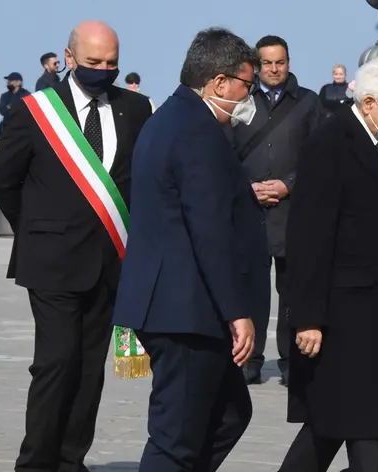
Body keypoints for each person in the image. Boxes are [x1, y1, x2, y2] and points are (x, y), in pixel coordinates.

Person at [0, 20, 153, 472]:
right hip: (51, 264)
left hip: (110, 262)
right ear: (70, 57)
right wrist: (39, 230)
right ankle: (35, 462)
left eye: (112, 64)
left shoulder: (136, 109)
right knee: (56, 363)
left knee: (89, 370)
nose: (103, 70)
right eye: (94, 62)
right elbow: (3, 179)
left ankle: (69, 459)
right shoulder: (34, 110)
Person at [112, 27, 267, 471]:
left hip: (179, 304)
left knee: (230, 414)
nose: (247, 97)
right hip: (183, 310)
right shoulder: (195, 129)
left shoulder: (172, 118)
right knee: (174, 439)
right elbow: (209, 229)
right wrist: (237, 311)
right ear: (219, 82)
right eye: (246, 85)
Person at [279, 54, 378, 472]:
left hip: (376, 311)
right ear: (368, 103)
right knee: (362, 426)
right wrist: (307, 316)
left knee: (334, 425)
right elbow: (308, 237)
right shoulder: (331, 144)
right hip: (342, 315)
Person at [230, 34, 321, 387]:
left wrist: (290, 184)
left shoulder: (309, 103)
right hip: (249, 210)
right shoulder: (240, 100)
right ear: (256, 65)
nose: (273, 68)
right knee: (250, 287)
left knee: (292, 288)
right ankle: (249, 358)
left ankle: (290, 358)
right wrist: (245, 188)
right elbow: (223, 151)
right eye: (266, 62)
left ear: (289, 62)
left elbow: (319, 155)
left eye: (279, 62)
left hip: (292, 211)